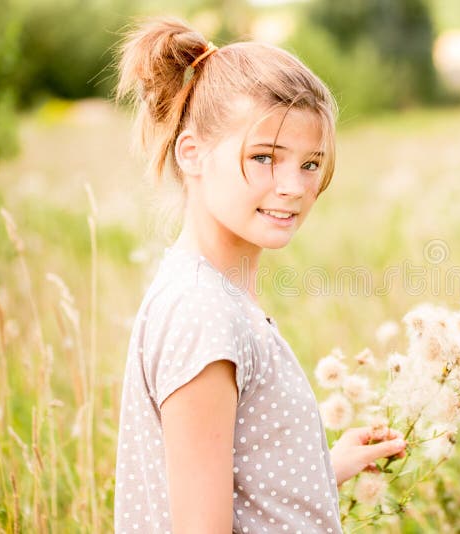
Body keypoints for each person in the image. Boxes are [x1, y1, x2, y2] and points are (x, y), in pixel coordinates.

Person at [113, 17, 406, 534]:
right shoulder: (201, 313)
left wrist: (324, 467)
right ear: (193, 154)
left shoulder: (216, 295)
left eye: (311, 164)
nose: (293, 186)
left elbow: (234, 481)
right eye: (265, 157)